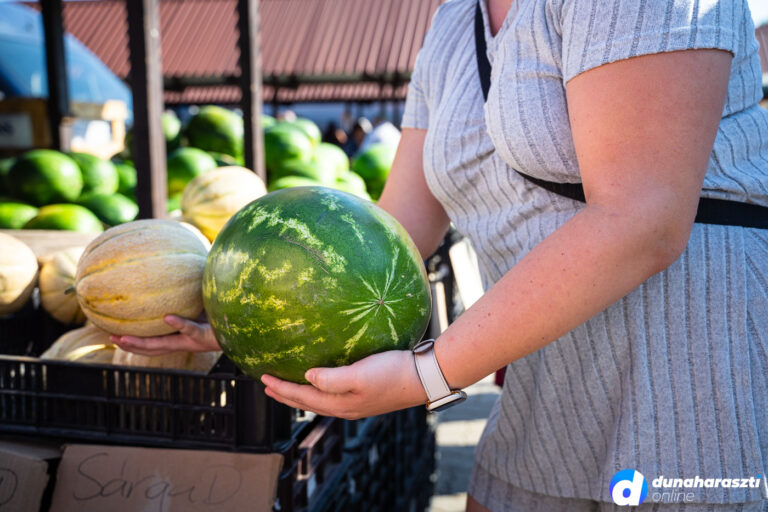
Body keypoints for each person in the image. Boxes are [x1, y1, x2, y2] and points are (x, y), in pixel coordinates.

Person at [113, 0, 768, 510]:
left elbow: (643, 218)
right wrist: (238, 318)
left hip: (689, 376)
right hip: (546, 381)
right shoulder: (458, 21)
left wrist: (427, 374)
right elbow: (391, 232)